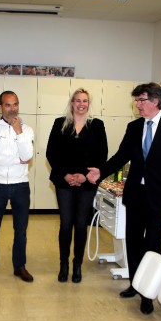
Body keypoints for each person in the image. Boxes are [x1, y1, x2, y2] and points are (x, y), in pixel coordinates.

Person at [86, 82, 161, 314]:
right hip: (135, 194)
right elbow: (121, 156)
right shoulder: (134, 127)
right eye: (136, 101)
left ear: (155, 101)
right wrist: (101, 171)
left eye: (141, 100)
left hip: (160, 195)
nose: (137, 105)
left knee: (151, 243)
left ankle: (147, 293)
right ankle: (134, 283)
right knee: (133, 241)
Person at [46, 88, 108, 284]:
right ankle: (63, 265)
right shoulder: (60, 123)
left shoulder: (96, 125)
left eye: (85, 101)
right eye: (78, 100)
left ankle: (77, 265)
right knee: (66, 224)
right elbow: (51, 152)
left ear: (89, 104)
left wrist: (83, 176)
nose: (81, 104)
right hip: (64, 181)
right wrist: (65, 174)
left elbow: (102, 154)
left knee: (81, 224)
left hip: (86, 181)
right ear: (72, 103)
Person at [0, 91, 35, 285]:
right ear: (0, 107)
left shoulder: (26, 130)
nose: (12, 109)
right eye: (8, 105)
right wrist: (16, 159)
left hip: (21, 185)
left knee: (21, 231)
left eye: (15, 104)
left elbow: (27, 156)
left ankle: (19, 266)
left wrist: (18, 131)